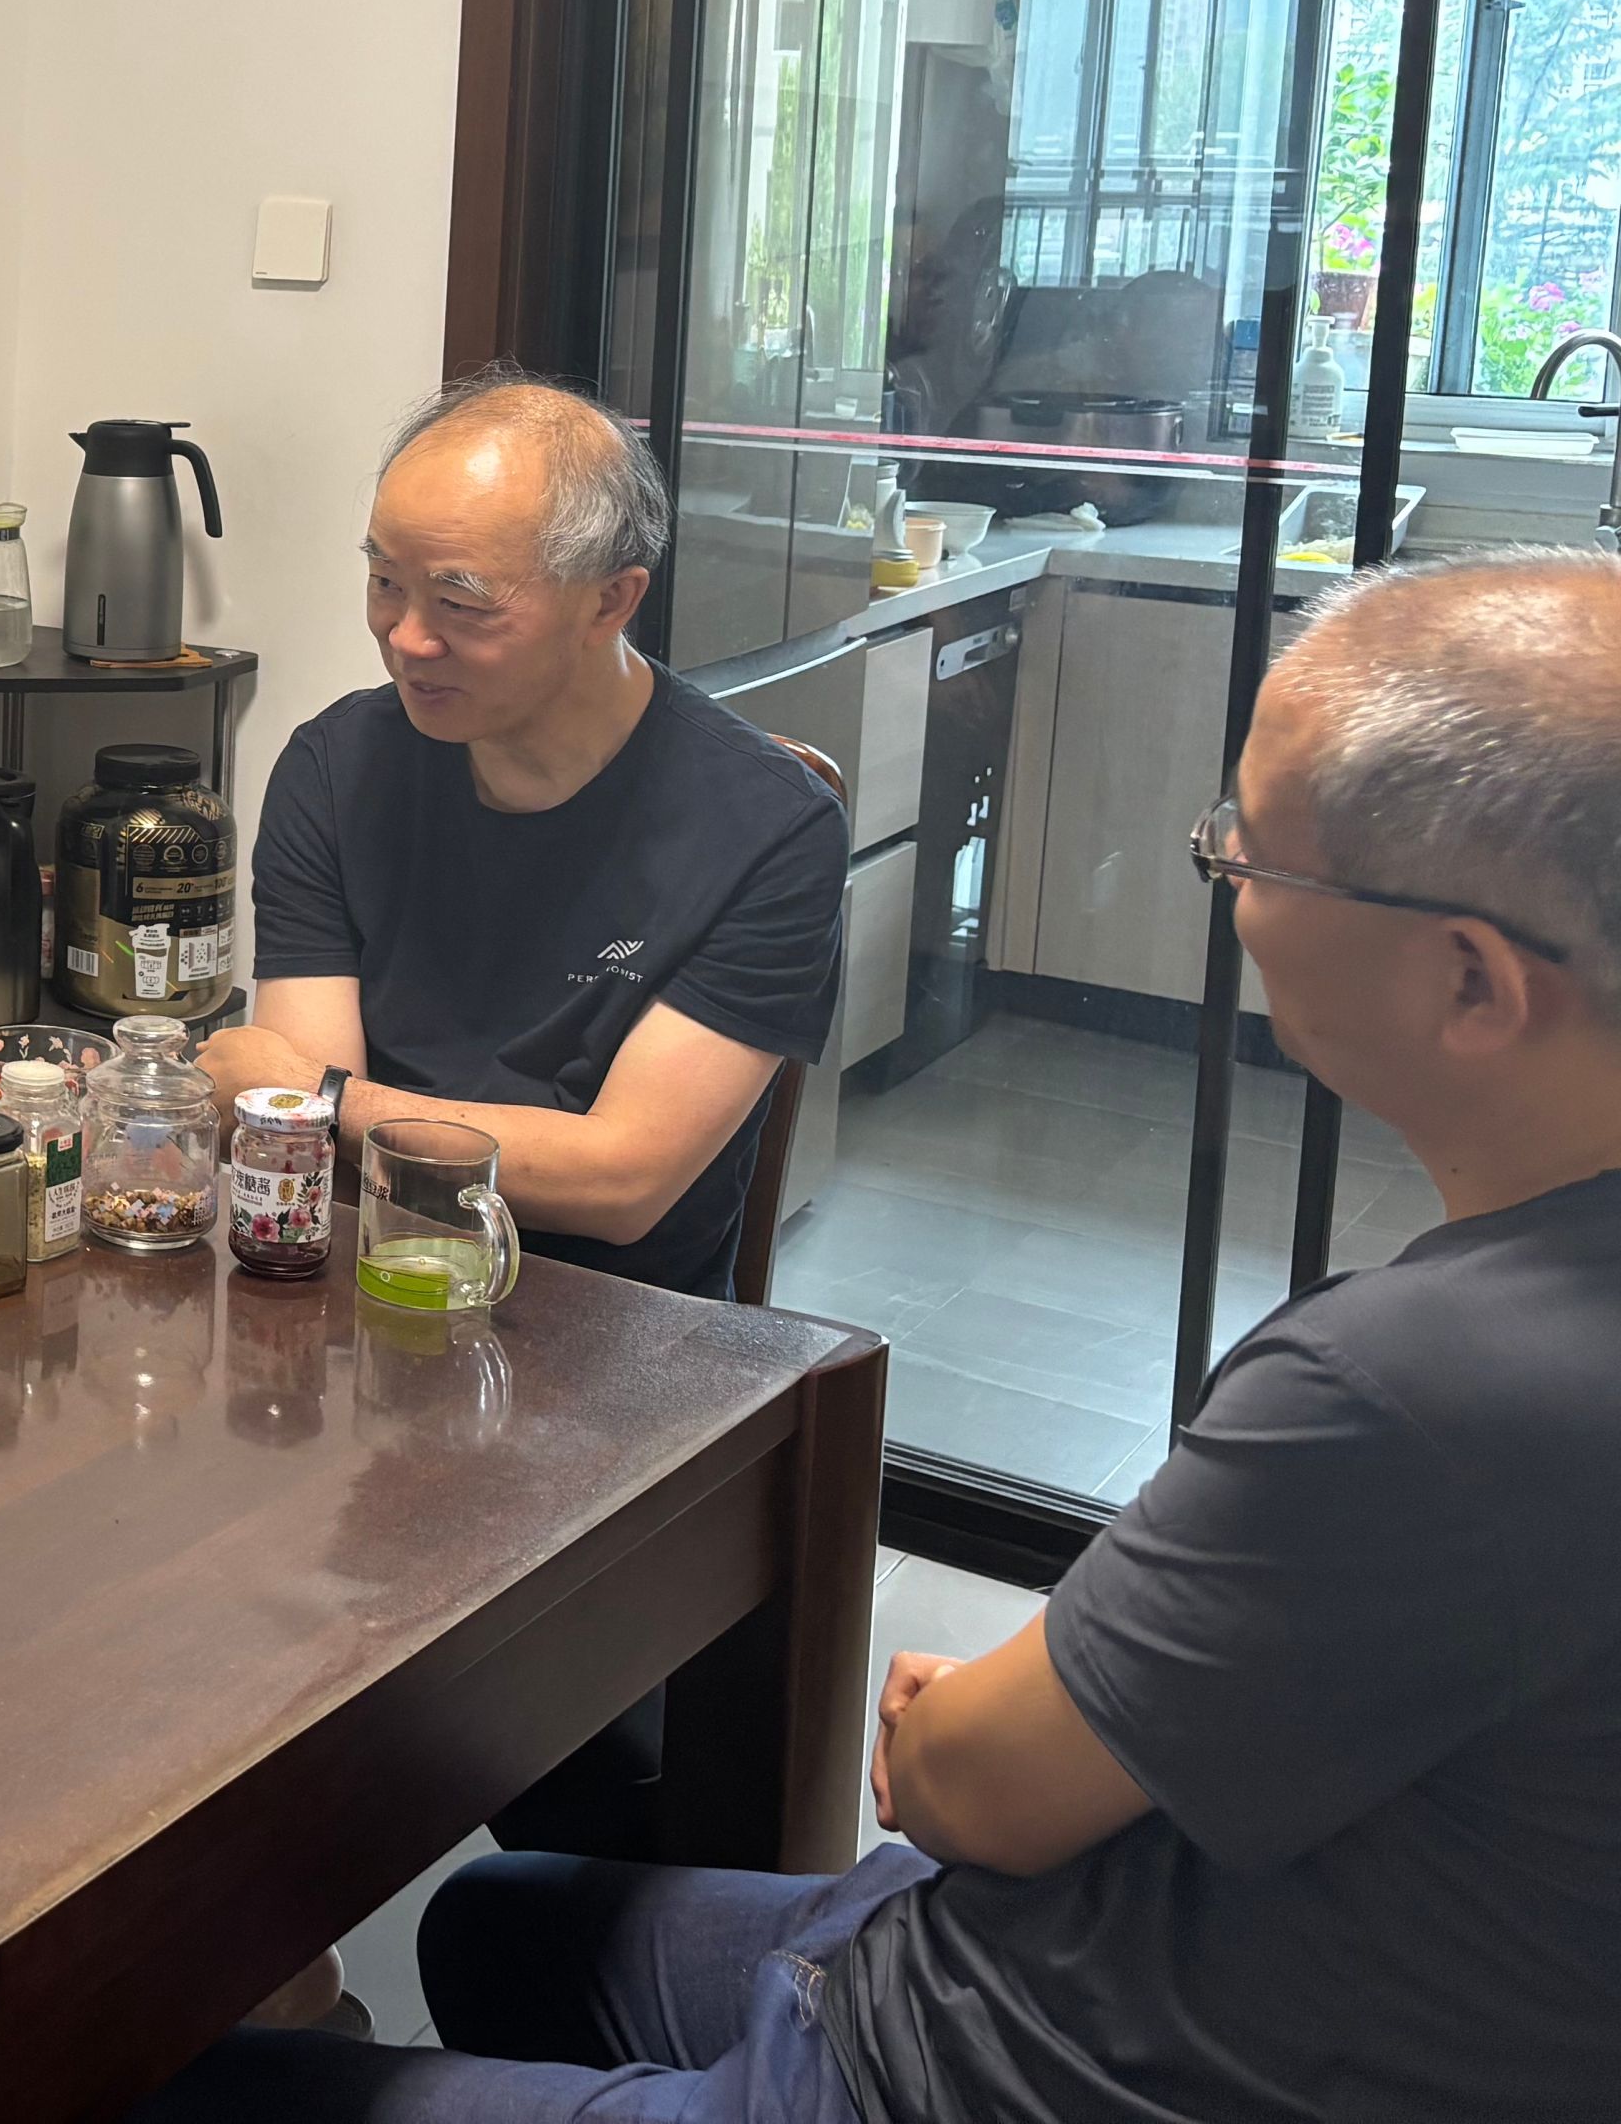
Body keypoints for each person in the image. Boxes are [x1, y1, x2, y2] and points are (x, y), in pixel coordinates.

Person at [140, 544, 1621, 2121]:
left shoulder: (1417, 1389)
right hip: (1054, 1946)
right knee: (494, 1923)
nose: (1233, 887)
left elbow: (961, 1786)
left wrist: (975, 1726)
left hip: (1007, 2063)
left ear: (1472, 985)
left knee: (153, 2079)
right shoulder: (1495, 1327)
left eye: (1254, 855)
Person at [199, 370, 846, 1299]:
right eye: (385, 582)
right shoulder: (339, 768)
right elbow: (309, 1152)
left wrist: (324, 1098)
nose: (407, 638)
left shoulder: (770, 828)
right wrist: (308, 1104)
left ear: (610, 602)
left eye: (462, 603)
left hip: (616, 1321)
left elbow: (621, 1183)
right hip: (369, 1276)